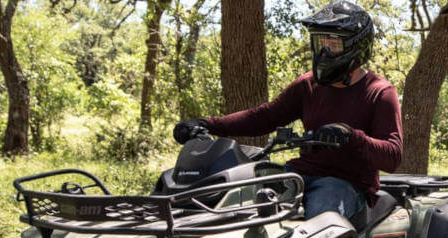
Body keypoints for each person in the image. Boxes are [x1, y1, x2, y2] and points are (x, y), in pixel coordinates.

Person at [171, 0, 401, 222]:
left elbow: (392, 156)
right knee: (235, 200)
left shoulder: (379, 92)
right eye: (320, 43)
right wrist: (207, 124)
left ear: (356, 47)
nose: (325, 52)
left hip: (345, 184)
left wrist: (351, 136)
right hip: (298, 174)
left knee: (318, 228)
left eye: (334, 44)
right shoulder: (308, 85)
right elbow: (264, 117)